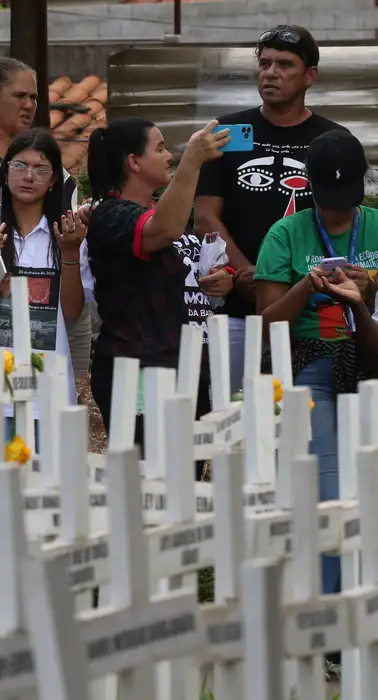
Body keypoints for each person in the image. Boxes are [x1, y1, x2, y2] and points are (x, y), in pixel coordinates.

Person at [255, 129, 378, 597]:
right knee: (328, 492)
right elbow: (267, 324)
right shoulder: (286, 232)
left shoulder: (376, 225)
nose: (337, 211)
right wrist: (307, 287)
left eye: (346, 200)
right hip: (311, 365)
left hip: (369, 361)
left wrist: (364, 299)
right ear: (310, 187)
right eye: (328, 200)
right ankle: (325, 611)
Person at [195, 25, 345, 393]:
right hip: (235, 308)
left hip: (310, 312)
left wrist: (280, 285)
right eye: (264, 63)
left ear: (310, 75)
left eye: (284, 64)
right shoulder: (229, 133)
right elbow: (204, 216)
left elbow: (341, 222)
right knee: (232, 425)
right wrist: (251, 273)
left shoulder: (332, 141)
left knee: (305, 422)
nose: (271, 72)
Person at [85, 117, 233, 450]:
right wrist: (192, 162)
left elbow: (181, 258)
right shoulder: (110, 214)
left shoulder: (161, 211)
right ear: (134, 162)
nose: (170, 157)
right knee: (150, 483)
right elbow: (160, 232)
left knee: (188, 479)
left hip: (186, 363)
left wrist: (220, 280)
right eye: (160, 148)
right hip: (139, 368)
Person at [0, 57, 87, 369]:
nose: (28, 105)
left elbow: (73, 308)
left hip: (54, 292)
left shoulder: (47, 154)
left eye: (34, 97)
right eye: (19, 96)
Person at [0, 130, 90, 439]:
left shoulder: (66, 235)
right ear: (5, 173)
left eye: (41, 169)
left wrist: (71, 253)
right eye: (19, 166)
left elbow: (72, 312)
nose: (29, 176)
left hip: (48, 386)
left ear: (53, 181)